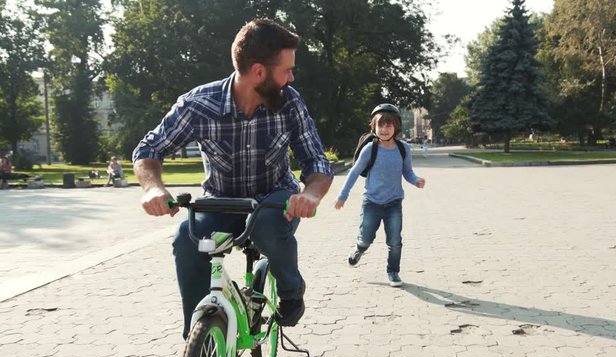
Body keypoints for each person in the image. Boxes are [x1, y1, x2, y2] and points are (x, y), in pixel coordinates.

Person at [132, 18, 333, 339]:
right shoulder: (199, 104)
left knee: (268, 225)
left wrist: (311, 194)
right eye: (286, 70)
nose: (291, 77)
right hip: (221, 204)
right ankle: (199, 338)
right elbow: (148, 149)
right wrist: (153, 188)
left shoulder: (290, 102)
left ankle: (291, 289)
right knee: (186, 237)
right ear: (258, 72)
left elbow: (316, 160)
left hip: (274, 199)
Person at [334, 104, 425, 287]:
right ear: (374, 127)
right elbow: (354, 172)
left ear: (396, 127)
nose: (384, 130)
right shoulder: (370, 149)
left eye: (388, 125)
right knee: (367, 237)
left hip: (394, 203)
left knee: (395, 240)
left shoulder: (403, 148)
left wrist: (415, 180)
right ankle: (360, 248)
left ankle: (393, 272)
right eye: (380, 126)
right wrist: (343, 195)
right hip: (372, 203)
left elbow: (407, 172)